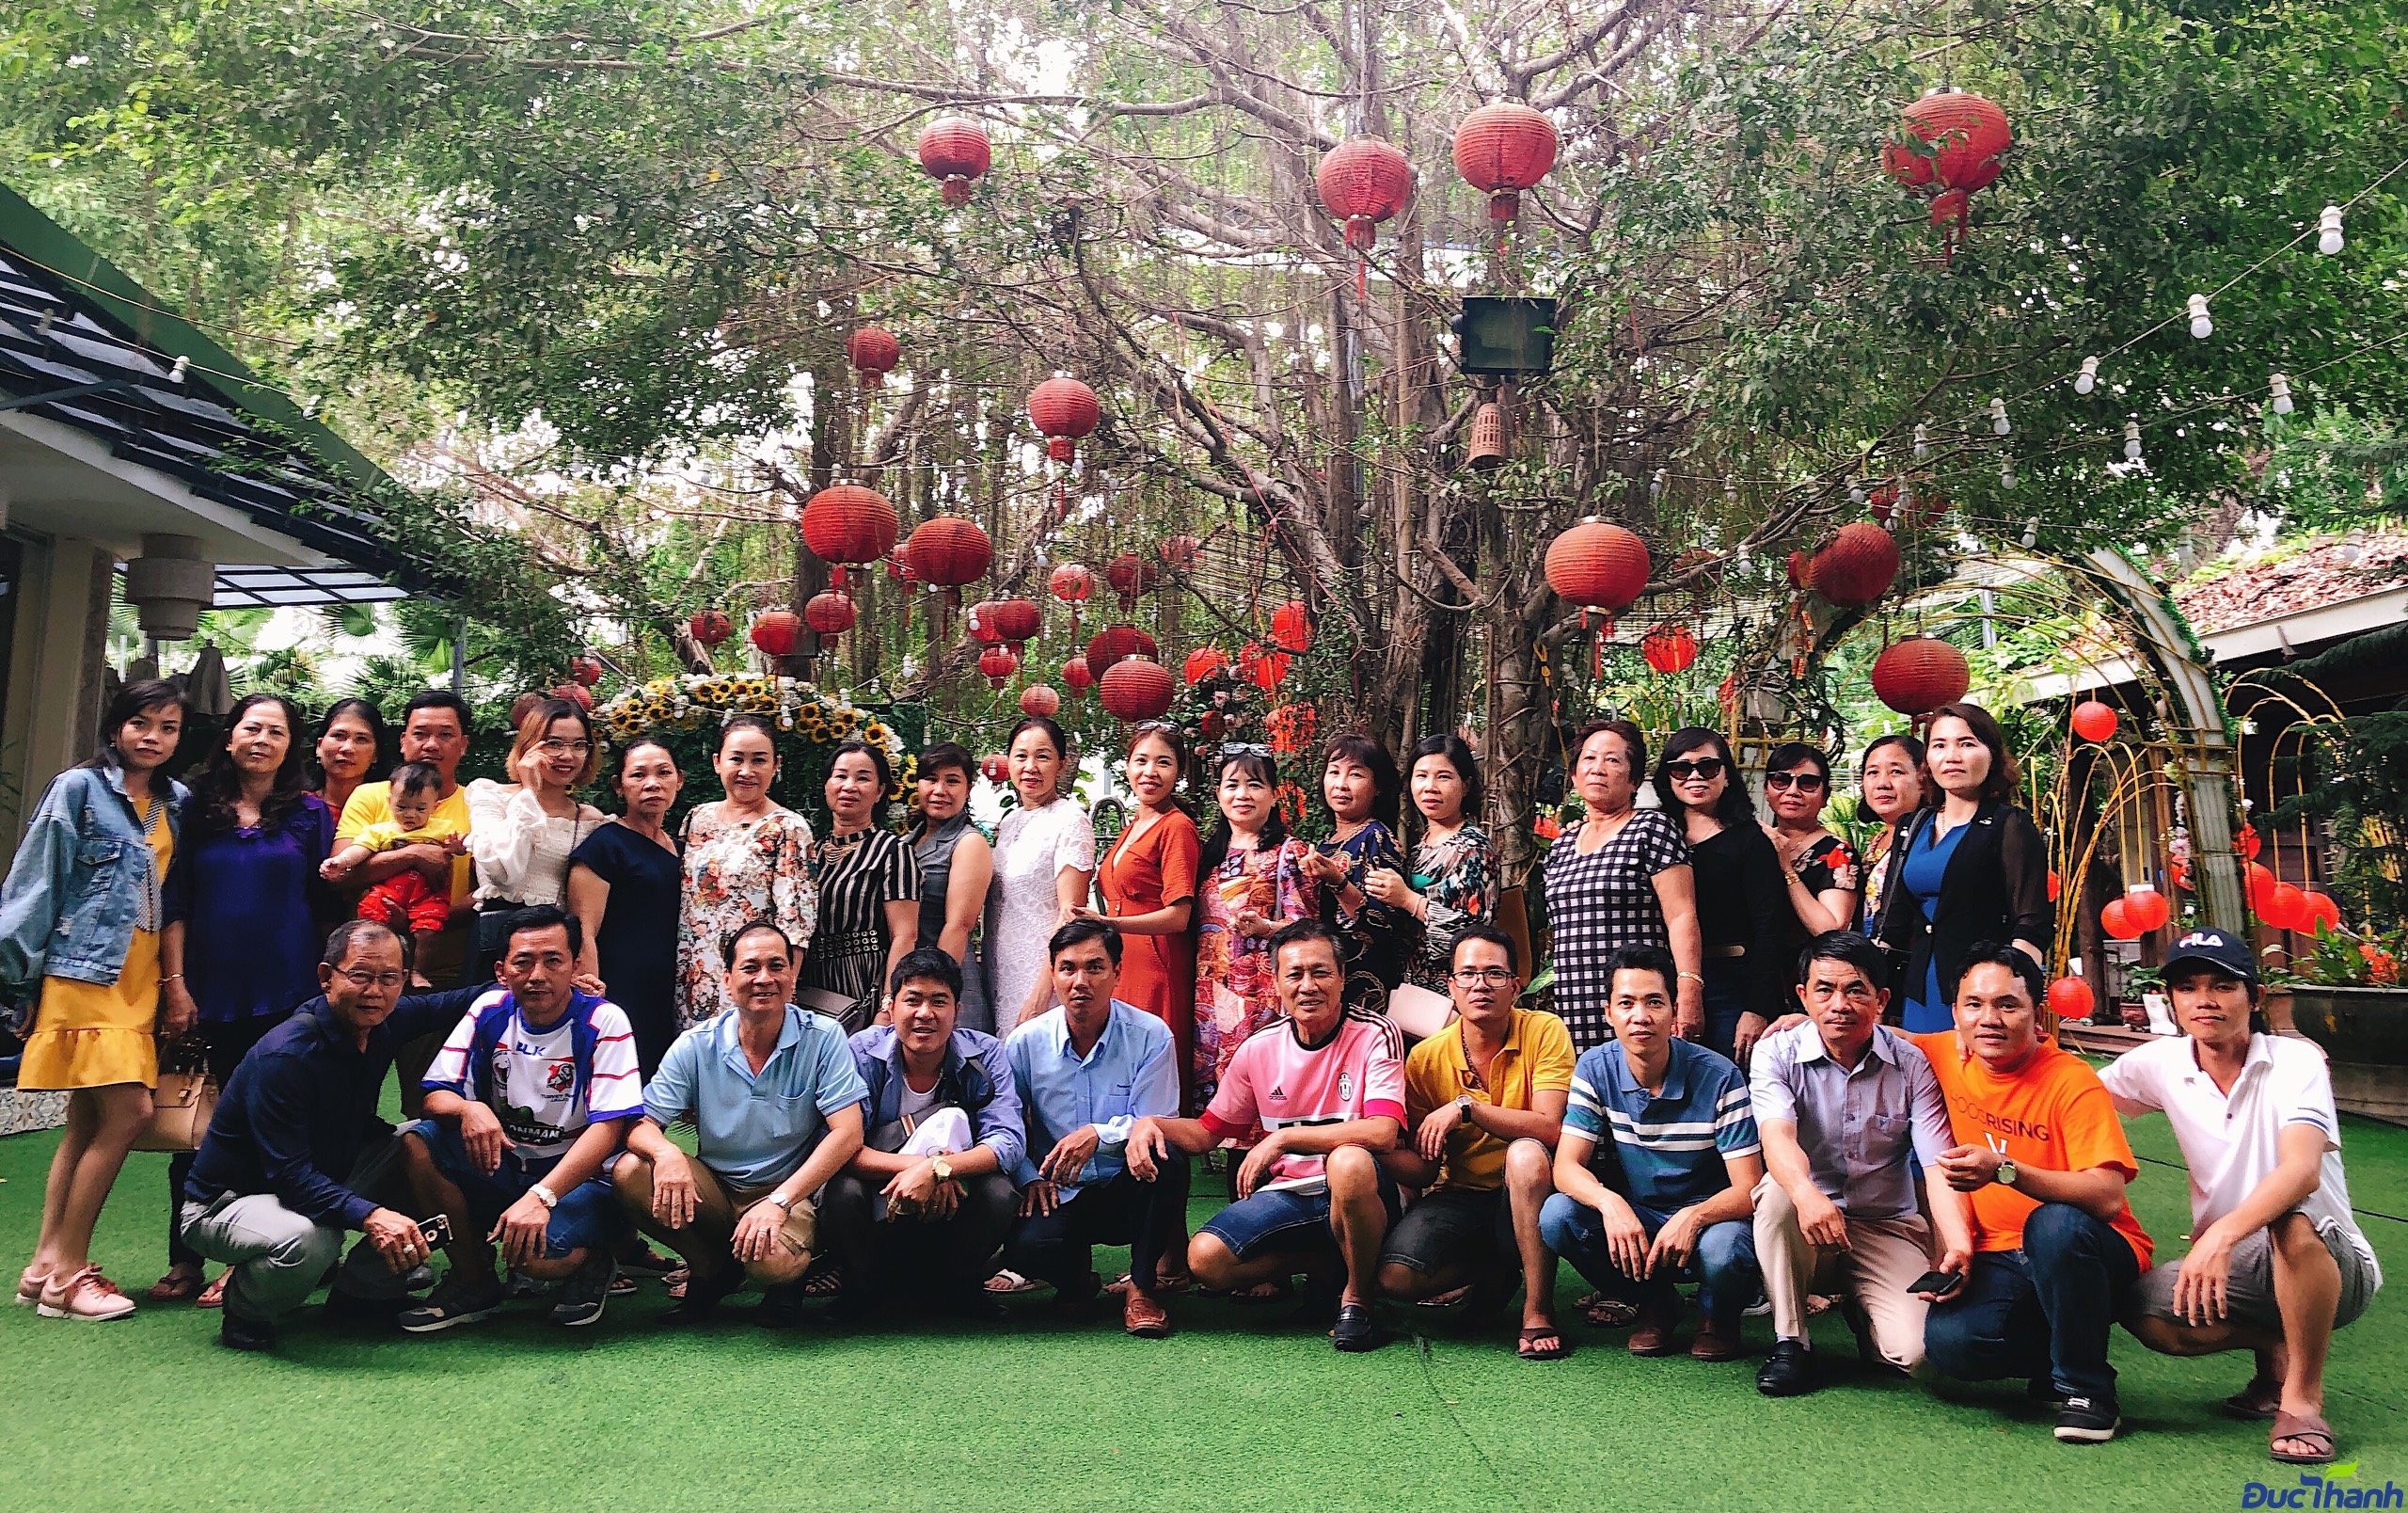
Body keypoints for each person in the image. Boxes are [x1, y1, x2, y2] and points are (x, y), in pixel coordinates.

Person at [2101, 928, 2383, 1465]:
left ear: (2255, 999)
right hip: (2241, 1265)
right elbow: (2070, 1092)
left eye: (2223, 986)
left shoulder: (2296, 1061)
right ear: (2172, 1001)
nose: (2204, 1000)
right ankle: (2275, 1347)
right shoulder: (2159, 1063)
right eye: (2187, 987)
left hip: (2331, 1261)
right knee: (2141, 1308)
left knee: (2290, 1221)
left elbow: (2302, 1172)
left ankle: (2301, 1400)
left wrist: (2221, 1236)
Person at [178, 921, 485, 1350]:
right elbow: (290, 1176)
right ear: (327, 977)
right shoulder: (286, 1056)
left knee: (431, 1149)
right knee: (310, 1239)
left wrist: (531, 983)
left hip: (326, 1168)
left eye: (389, 978)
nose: (374, 991)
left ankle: (364, 1292)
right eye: (360, 975)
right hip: (228, 1201)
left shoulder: (385, 1020)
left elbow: (458, 1002)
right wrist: (371, 1215)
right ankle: (247, 1308)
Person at [1, 679, 188, 1320]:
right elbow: (36, 882)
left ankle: (44, 1265)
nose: (153, 737)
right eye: (141, 723)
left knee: (86, 1120)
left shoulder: (177, 803)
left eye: (167, 727)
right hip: (85, 972)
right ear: (115, 728)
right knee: (130, 1111)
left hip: (141, 979)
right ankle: (70, 1274)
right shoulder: (78, 789)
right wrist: (22, 981)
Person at [1914, 943, 2154, 1444]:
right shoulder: (1943, 1054)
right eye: (1974, 1005)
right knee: (1952, 1346)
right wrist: (1798, 1022)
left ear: (2037, 1014)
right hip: (1999, 1254)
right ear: (1955, 1013)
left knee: (2054, 1224)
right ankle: (2055, 1352)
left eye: (2008, 1005)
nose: (1989, 1019)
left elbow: (2107, 1196)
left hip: (2091, 1246)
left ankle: (2088, 1390)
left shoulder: (2071, 1080)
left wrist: (2005, 1171)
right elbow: (1876, 1034)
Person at [1130, 919, 1405, 1353]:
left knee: (1348, 1161)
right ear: (1276, 983)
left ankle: (1357, 1298)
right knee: (1206, 1260)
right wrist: (1152, 1124)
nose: (1308, 986)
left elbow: (1383, 1131)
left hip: (1362, 1188)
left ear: (1342, 977)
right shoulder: (1259, 1048)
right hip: (1293, 1192)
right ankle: (1328, 1264)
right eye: (1294, 974)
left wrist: (1282, 1140)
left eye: (1321, 972)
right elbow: (1208, 1133)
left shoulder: (1375, 1033)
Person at [150, 693, 336, 1306]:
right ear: (230, 738)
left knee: (274, 1128)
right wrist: (175, 986)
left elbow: (327, 904)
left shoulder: (311, 814)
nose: (262, 740)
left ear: (291, 746)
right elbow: (174, 903)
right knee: (202, 1126)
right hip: (209, 995)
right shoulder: (191, 810)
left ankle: (251, 1253)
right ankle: (185, 1258)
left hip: (290, 996)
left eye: (276, 732)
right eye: (252, 728)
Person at [396, 905, 644, 1331]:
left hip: (584, 1180)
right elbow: (435, 1096)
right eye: (523, 962)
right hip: (508, 1164)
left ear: (576, 967)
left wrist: (541, 1197)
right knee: (417, 1141)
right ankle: (473, 1279)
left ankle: (594, 1259)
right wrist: (469, 1107)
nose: (537, 975)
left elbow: (610, 1127)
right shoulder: (489, 1009)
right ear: (501, 970)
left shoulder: (604, 1019)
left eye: (553, 961)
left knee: (534, 1257)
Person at [1749, 931, 1973, 1396]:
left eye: (1855, 990)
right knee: (1777, 1193)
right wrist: (1808, 1195)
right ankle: (1792, 1342)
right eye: (1824, 990)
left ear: (1881, 999)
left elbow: (1937, 1164)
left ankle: (1864, 1313)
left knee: (1920, 1356)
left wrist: (1956, 1244)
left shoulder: (1911, 1064)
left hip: (1885, 1224)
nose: (1840, 1005)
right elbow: (1777, 1137)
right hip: (1806, 1222)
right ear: (1803, 996)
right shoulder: (1776, 1052)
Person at [614, 918, 868, 1326]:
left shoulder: (823, 1037)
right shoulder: (696, 1044)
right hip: (716, 1188)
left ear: (792, 977)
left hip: (790, 1189)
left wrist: (779, 1201)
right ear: (728, 981)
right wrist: (666, 1154)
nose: (764, 978)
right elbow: (640, 1124)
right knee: (631, 1171)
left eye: (776, 966)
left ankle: (788, 1279)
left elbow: (848, 1132)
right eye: (750, 968)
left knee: (771, 1261)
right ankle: (710, 1267)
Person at [1540, 945, 1765, 1362]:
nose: (1640, 1016)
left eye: (1654, 1002)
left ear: (1674, 1011)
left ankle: (1718, 1317)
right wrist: (1610, 1204)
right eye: (1626, 1003)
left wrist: (1693, 1217)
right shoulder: (1594, 1068)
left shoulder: (1720, 1076)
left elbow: (1749, 1189)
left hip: (1714, 1219)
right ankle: (1656, 1304)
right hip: (1644, 1215)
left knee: (1725, 1250)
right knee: (1558, 1216)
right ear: (1608, 1013)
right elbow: (1566, 1167)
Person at [1377, 922, 1576, 1361]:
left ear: (1515, 986)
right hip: (1462, 1194)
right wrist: (1373, 1143)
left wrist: (1468, 1108)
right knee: (1396, 1278)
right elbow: (1425, 1167)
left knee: (1525, 1154)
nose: (1480, 985)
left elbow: (1550, 1128)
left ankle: (1538, 1308)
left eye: (1494, 974)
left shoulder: (1544, 1030)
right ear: (1451, 986)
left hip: (1531, 1187)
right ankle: (1494, 1270)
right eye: (1467, 974)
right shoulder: (1425, 1058)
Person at [1002, 919, 1189, 1336]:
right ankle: (1075, 1282)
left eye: (1095, 967)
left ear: (1117, 972)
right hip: (1059, 1188)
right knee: (1026, 1248)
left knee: (1167, 1159)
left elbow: (1156, 1119)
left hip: (1128, 1184)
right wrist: (1028, 1177)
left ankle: (1142, 1288)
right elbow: (1006, 1123)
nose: (1080, 981)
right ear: (1053, 974)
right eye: (1067, 968)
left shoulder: (1150, 1035)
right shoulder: (1025, 1043)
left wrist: (1099, 1135)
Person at [820, 948, 1025, 1318]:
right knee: (842, 1190)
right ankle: (863, 1288)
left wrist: (939, 1170)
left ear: (957, 1010)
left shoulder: (986, 1054)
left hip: (954, 1192)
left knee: (999, 1192)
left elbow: (1008, 1142)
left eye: (939, 1001)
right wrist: (922, 1168)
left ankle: (959, 1288)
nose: (924, 1013)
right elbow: (840, 1147)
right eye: (912, 1000)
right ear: (891, 1006)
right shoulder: (861, 1053)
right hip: (881, 1191)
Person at [1877, 704, 2051, 1033]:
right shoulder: (1912, 826)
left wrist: (2010, 1000)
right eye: (1939, 745)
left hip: (1981, 994)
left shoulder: (2008, 825)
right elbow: (1892, 923)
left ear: (1992, 754)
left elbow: (2031, 924)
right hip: (1917, 989)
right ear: (1928, 759)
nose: (1952, 756)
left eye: (1966, 743)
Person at [1543, 721, 1703, 1051]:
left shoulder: (1651, 829)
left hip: (1639, 1005)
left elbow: (1681, 915)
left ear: (1635, 780)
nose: (1598, 768)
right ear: (1574, 775)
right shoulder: (1562, 845)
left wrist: (1689, 990)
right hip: (1575, 1004)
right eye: (1589, 758)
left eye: (1612, 760)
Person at [1193, 748, 1321, 1109]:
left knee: (1260, 1096)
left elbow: (1307, 930)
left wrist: (1265, 928)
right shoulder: (1208, 856)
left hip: (1260, 996)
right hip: (1207, 996)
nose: (1242, 794)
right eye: (1232, 785)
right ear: (1218, 793)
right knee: (1214, 1102)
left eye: (1254, 785)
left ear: (1274, 794)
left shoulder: (1288, 853)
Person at [1656, 728, 1787, 1066]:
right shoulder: (1654, 835)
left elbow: (1771, 927)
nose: (1695, 777)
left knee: (1730, 1080)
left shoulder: (1750, 840)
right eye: (1681, 769)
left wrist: (1757, 1008)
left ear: (1726, 775)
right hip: (1662, 980)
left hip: (1732, 980)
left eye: (1708, 767)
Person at [1085, 722, 1201, 1105]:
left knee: (1152, 1070)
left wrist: (1109, 924)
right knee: (1122, 1070)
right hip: (1124, 959)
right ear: (1127, 766)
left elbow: (1178, 916)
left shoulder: (1177, 827)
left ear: (1178, 772)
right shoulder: (1136, 823)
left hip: (1156, 960)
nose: (1150, 772)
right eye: (1141, 761)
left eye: (1163, 763)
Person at [677, 715, 816, 1027]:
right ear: (717, 762)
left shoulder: (788, 827)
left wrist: (786, 987)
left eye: (759, 760)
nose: (746, 771)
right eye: (737, 759)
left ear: (776, 765)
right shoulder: (697, 818)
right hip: (693, 973)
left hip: (755, 979)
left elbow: (796, 919)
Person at [333, 690, 476, 993]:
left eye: (445, 735)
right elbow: (340, 875)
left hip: (450, 970)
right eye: (420, 734)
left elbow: (489, 889)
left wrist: (424, 920)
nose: (431, 744)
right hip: (369, 972)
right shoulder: (370, 796)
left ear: (463, 744)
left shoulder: (477, 805)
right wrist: (413, 854)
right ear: (403, 741)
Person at [464, 696, 608, 985]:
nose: (567, 755)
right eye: (554, 744)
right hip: (500, 942)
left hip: (555, 946)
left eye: (579, 745)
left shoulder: (591, 820)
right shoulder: (491, 796)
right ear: (529, 745)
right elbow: (503, 873)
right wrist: (529, 793)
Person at [567, 739, 686, 1075]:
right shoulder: (604, 846)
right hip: (621, 987)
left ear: (679, 780)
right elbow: (584, 930)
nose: (652, 783)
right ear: (619, 786)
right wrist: (594, 1002)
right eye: (638, 775)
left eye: (663, 773)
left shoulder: (683, 848)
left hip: (670, 988)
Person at [799, 740, 921, 1032]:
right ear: (827, 785)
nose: (849, 786)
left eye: (863, 778)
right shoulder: (811, 852)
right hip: (809, 983)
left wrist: (888, 1007)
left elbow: (905, 935)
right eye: (840, 776)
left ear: (879, 791)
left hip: (862, 983)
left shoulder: (893, 852)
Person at [987, 716, 1095, 1030]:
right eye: (1021, 756)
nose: (1030, 767)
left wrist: (1040, 995)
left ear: (1061, 764)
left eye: (1043, 756)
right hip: (999, 969)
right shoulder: (1009, 823)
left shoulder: (1070, 820)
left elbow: (1070, 917)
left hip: (1039, 973)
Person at [1368, 733, 1497, 995]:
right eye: (1421, 776)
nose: (1430, 787)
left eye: (1444, 777)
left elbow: (1475, 932)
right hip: (1409, 986)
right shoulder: (1420, 846)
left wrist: (1409, 900)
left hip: (1451, 991)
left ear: (1466, 785)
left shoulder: (1472, 848)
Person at [1301, 733, 1411, 1012]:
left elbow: (1381, 924)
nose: (1341, 784)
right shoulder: (1326, 843)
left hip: (1363, 983)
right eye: (1334, 772)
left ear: (1378, 787)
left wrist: (1337, 882)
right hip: (1324, 981)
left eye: (1356, 774)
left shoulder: (1376, 838)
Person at [322, 762, 462, 981]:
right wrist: (341, 861)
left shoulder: (443, 828)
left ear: (434, 807)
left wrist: (456, 847)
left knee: (428, 931)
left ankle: (417, 971)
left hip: (427, 894)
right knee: (369, 918)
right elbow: (361, 849)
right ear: (389, 802)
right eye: (402, 807)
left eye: (420, 809)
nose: (410, 814)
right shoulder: (380, 831)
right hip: (389, 891)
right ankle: (371, 968)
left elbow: (460, 849)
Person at [906, 742, 993, 1031]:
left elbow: (959, 925)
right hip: (907, 984)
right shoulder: (906, 842)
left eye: (952, 781)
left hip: (944, 986)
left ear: (968, 789)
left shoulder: (968, 842)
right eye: (931, 779)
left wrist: (933, 992)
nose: (939, 790)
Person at [1760, 742, 1861, 956]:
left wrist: (1787, 869)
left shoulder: (1839, 853)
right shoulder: (1758, 841)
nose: (1792, 791)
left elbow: (1831, 930)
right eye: (1781, 781)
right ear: (1766, 790)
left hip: (1807, 967)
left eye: (1808, 783)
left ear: (1825, 796)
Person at [1853, 733, 1925, 938]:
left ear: (1923, 780)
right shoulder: (1876, 840)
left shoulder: (1930, 837)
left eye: (1896, 772)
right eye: (1873, 772)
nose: (1882, 783)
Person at [307, 698, 388, 866]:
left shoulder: (395, 812)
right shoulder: (294, 806)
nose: (347, 748)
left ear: (376, 754)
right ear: (319, 746)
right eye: (339, 736)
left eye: (361, 739)